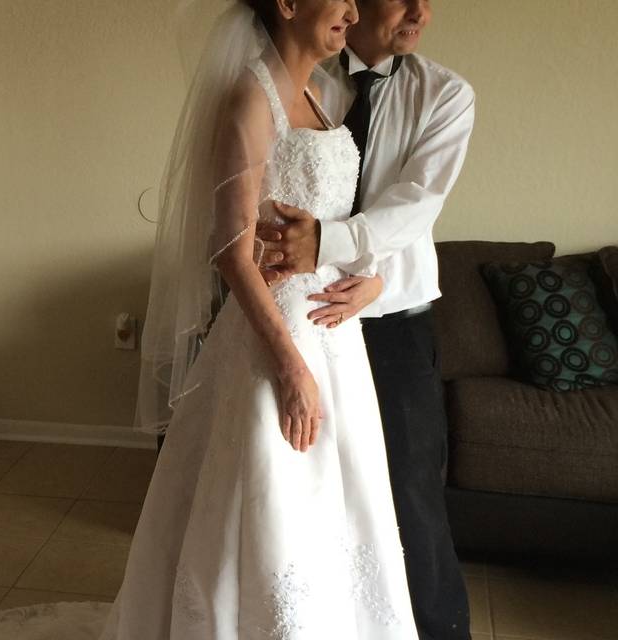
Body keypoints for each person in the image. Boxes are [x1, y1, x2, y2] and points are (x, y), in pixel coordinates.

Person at [0, 1, 419, 638]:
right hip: (277, 343)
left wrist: (369, 277)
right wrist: (288, 364)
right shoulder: (250, 100)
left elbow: (321, 228)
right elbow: (229, 251)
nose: (352, 9)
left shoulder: (320, 97)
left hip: (337, 341)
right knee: (268, 505)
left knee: (335, 511)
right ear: (287, 4)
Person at [255, 1, 477, 638]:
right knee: (313, 496)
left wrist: (353, 262)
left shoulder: (446, 94)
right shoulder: (307, 79)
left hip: (392, 321)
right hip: (306, 322)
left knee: (410, 500)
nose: (420, 12)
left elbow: (415, 204)